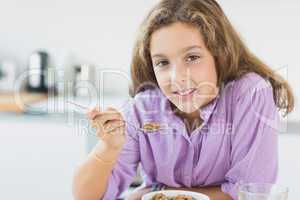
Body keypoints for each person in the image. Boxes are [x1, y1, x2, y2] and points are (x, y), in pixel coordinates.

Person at [72, 0, 294, 200]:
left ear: (221, 54)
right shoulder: (143, 107)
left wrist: (156, 194)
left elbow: (250, 193)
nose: (177, 77)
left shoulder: (251, 94)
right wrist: (108, 149)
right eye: (162, 63)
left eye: (192, 57)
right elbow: (87, 197)